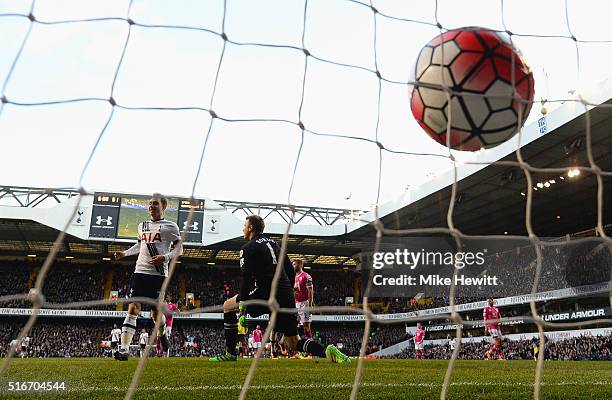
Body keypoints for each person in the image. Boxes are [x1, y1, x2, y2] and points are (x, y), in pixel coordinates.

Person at [209, 215, 349, 364]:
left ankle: (230, 354)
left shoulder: (247, 248)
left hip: (265, 293)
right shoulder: (274, 244)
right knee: (293, 342)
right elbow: (289, 270)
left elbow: (247, 278)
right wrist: (287, 291)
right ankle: (326, 350)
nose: (243, 228)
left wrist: (243, 301)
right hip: (285, 294)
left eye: (245, 226)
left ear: (250, 228)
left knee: (227, 306)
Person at [113, 193, 183, 361]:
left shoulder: (171, 226)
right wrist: (124, 253)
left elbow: (180, 250)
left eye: (155, 204)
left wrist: (164, 257)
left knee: (155, 312)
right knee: (133, 307)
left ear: (163, 207)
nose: (151, 206)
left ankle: (162, 333)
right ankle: (123, 349)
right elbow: (140, 244)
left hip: (158, 274)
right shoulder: (142, 226)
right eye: (150, 203)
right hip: (140, 271)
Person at [293, 259, 314, 339]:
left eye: (295, 264)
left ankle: (310, 346)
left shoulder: (306, 276)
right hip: (296, 303)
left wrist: (310, 304)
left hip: (304, 303)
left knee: (306, 325)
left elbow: (310, 291)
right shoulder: (293, 276)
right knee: (294, 325)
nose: (293, 266)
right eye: (293, 264)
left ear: (301, 265)